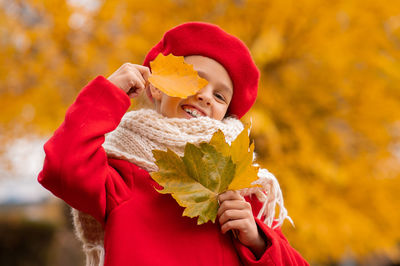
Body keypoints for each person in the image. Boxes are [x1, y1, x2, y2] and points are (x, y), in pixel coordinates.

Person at [38, 22, 309, 266]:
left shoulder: (243, 188)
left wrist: (258, 241)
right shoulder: (123, 175)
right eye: (194, 80)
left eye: (219, 96)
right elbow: (62, 168)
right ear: (156, 88)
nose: (205, 96)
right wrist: (108, 94)